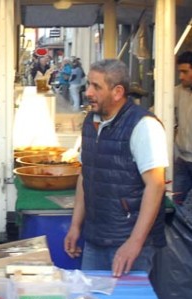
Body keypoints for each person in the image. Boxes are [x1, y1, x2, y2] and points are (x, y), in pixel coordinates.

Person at [63, 59, 168, 277]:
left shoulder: (144, 126)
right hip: (95, 238)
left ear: (118, 92)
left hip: (129, 244)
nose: (88, 92)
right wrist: (75, 226)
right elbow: (86, 175)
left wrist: (134, 243)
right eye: (88, 84)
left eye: (96, 86)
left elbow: (156, 186)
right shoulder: (91, 121)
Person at [173, 51, 192, 204]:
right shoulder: (177, 92)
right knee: (173, 203)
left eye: (184, 71)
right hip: (182, 159)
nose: (181, 76)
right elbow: (157, 111)